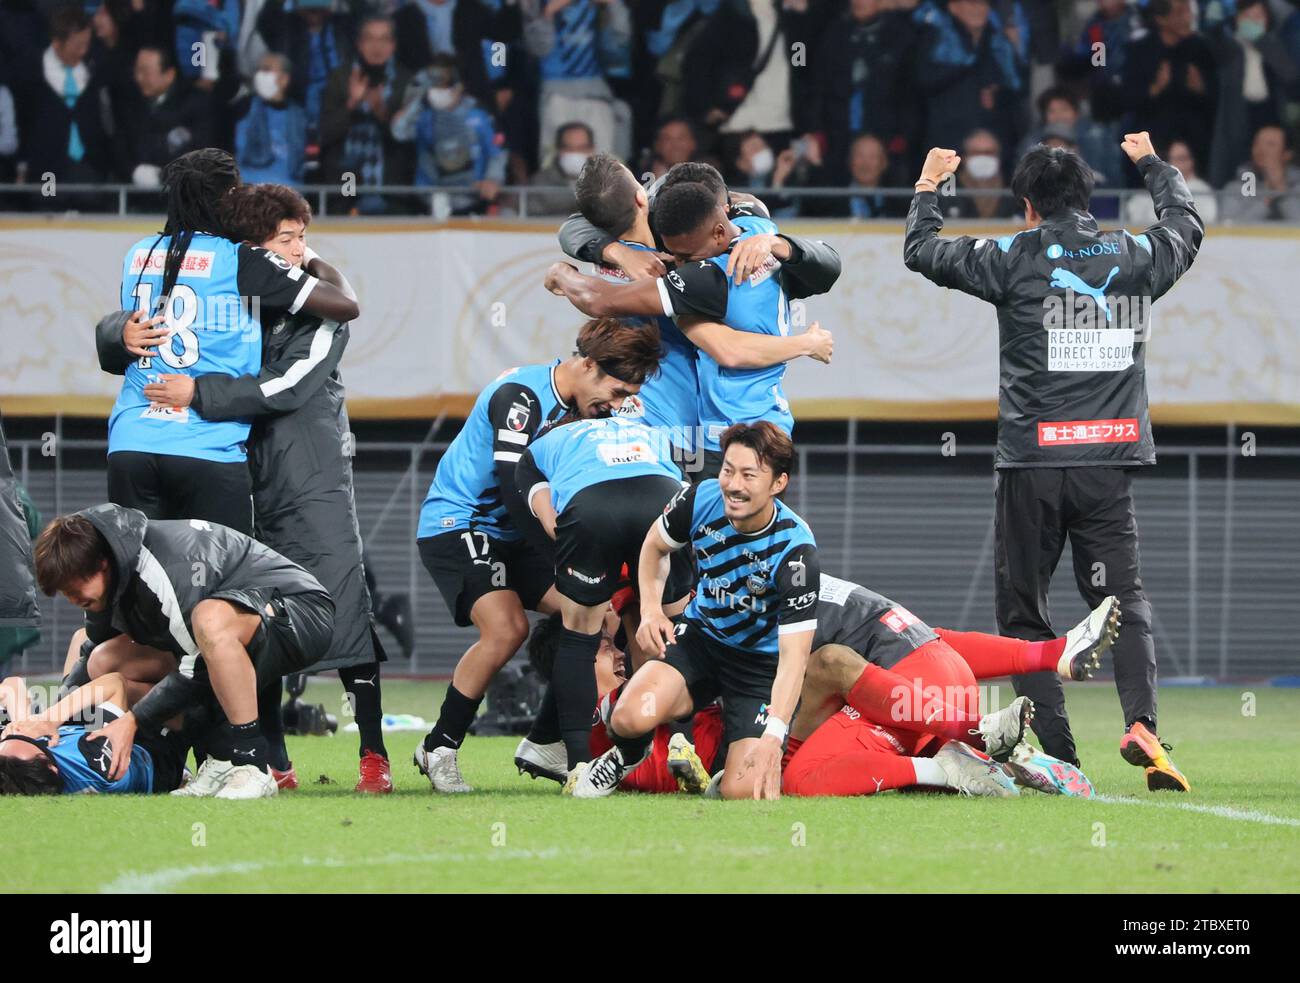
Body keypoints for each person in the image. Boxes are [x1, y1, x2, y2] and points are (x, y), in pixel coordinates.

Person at [903, 132, 1203, 792]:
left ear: (1028, 205)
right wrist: (1153, 164)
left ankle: (1063, 757)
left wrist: (929, 185)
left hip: (1032, 463)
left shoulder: (1015, 254)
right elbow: (1186, 225)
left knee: (1025, 618)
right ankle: (1143, 724)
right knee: (1121, 600)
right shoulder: (1132, 253)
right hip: (1107, 460)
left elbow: (922, 251)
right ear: (1087, 197)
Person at [141, 182, 393, 794]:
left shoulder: (322, 315)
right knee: (261, 621)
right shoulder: (230, 307)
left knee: (345, 611)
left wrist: (199, 395)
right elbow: (154, 328)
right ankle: (274, 760)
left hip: (314, 487)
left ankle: (373, 753)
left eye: (303, 235)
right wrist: (118, 335)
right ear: (252, 249)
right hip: (244, 480)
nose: (301, 248)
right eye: (288, 238)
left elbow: (286, 388)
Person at [412, 317, 661, 792]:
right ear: (587, 364)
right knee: (508, 628)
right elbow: (513, 491)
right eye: (614, 390)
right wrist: (564, 553)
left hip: (524, 534)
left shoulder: (595, 409)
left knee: (596, 616)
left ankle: (545, 742)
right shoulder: (521, 398)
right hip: (463, 522)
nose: (616, 405)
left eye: (626, 395)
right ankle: (439, 746)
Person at [95, 148, 360, 538]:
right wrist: (304, 252)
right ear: (226, 197)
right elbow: (344, 305)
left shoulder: (138, 254)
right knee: (222, 587)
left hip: (131, 443)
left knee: (140, 584)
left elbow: (129, 328)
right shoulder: (240, 259)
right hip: (206, 448)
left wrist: (115, 332)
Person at [570, 422, 818, 800]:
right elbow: (654, 546)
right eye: (728, 470)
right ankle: (629, 755)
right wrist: (652, 610)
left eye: (749, 475)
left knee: (745, 792)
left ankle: (726, 773)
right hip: (702, 640)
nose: (733, 485)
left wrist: (774, 733)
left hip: (759, 667)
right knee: (629, 717)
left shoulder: (795, 550)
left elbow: (795, 658)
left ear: (778, 483)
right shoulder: (699, 499)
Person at [31, 505, 335, 799]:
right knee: (105, 660)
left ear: (102, 564)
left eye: (74, 585)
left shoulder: (165, 570)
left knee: (209, 621)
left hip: (298, 611)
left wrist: (132, 721)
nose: (71, 596)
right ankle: (219, 761)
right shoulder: (109, 581)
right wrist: (51, 721)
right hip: (224, 634)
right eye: (63, 590)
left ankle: (250, 761)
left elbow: (198, 668)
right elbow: (92, 651)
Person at [544, 177, 841, 477]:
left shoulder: (703, 277)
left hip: (732, 435)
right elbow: (574, 225)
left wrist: (560, 273)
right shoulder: (757, 227)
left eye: (686, 255)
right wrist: (778, 244)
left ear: (721, 222)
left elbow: (729, 349)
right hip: (750, 423)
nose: (677, 260)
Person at [782, 577, 1120, 799]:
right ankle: (1004, 755)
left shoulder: (750, 608)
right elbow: (931, 640)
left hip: (911, 697)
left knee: (801, 777)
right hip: (950, 675)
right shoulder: (802, 574)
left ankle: (951, 764)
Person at [514, 414, 694, 775]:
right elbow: (684, 489)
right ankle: (682, 742)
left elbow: (550, 522)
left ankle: (579, 766)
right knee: (675, 628)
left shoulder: (541, 447)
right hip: (661, 500)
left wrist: (580, 557)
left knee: (579, 637)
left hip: (592, 509)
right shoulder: (649, 428)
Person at [0, 671, 190, 796]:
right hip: (153, 749)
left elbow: (11, 685)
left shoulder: (15, 768)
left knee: (80, 643)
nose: (17, 733)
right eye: (25, 738)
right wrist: (49, 719)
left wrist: (20, 722)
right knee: (108, 664)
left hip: (79, 732)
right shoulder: (95, 761)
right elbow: (116, 683)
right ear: (51, 765)